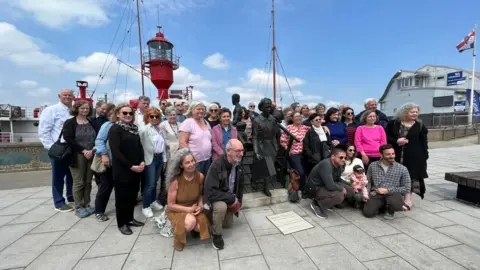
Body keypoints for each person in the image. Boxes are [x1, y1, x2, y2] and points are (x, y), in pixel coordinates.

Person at [108, 104, 145, 235]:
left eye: (130, 113)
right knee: (122, 197)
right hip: (123, 169)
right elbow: (116, 152)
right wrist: (131, 166)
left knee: (132, 196)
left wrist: (141, 161)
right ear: (118, 114)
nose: (128, 115)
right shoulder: (115, 129)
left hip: (136, 168)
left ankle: (130, 218)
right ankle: (122, 223)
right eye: (125, 113)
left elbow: (139, 147)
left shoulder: (133, 128)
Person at [38, 89, 75, 212]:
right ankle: (59, 202)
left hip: (73, 147)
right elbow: (44, 131)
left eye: (70, 95)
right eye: (65, 95)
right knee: (58, 176)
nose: (67, 97)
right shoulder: (51, 110)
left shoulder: (74, 110)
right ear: (59, 96)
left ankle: (71, 196)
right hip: (59, 147)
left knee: (72, 175)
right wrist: (52, 147)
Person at [166, 148, 210, 251]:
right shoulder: (175, 181)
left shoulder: (200, 176)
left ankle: (193, 229)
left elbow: (199, 195)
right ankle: (178, 238)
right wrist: (188, 210)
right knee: (190, 222)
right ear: (181, 165)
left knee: (202, 226)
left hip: (193, 206)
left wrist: (200, 206)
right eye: (187, 163)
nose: (191, 164)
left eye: (192, 161)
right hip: (177, 209)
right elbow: (170, 205)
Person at [386, 103, 428, 210]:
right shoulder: (393, 123)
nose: (415, 113)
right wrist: (397, 141)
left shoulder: (420, 125)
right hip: (396, 154)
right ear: (405, 112)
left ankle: (408, 198)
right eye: (412, 111)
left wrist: (425, 156)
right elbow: (386, 137)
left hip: (414, 155)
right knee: (396, 174)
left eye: (416, 112)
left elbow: (424, 142)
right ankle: (395, 196)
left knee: (411, 176)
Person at [204, 139, 245, 250]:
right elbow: (210, 192)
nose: (241, 154)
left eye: (242, 150)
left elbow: (241, 184)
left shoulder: (238, 164)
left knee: (228, 225)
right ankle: (216, 235)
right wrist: (232, 198)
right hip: (217, 198)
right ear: (228, 151)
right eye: (237, 151)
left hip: (228, 198)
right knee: (221, 207)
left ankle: (213, 221)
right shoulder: (217, 165)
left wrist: (239, 201)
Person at [63, 100, 97, 218]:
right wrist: (83, 151)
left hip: (91, 153)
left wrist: (92, 150)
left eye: (87, 108)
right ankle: (78, 206)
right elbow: (69, 139)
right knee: (79, 182)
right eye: (82, 108)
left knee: (88, 181)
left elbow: (98, 136)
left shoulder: (92, 121)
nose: (85, 110)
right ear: (77, 109)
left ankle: (86, 204)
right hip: (76, 155)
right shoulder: (70, 122)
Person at [363, 144, 411, 220]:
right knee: (368, 213)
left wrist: (388, 190)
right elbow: (368, 181)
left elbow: (406, 188)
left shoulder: (402, 169)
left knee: (396, 205)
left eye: (393, 153)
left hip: (393, 193)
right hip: (376, 193)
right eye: (388, 154)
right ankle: (384, 205)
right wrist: (367, 193)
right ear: (381, 155)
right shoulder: (372, 166)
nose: (392, 156)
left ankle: (391, 207)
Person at [307, 147, 354, 219]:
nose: (343, 160)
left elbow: (338, 180)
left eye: (345, 158)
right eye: (341, 157)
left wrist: (351, 185)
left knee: (351, 191)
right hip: (315, 188)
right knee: (339, 195)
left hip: (325, 186)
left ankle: (328, 202)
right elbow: (330, 185)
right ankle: (317, 204)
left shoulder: (339, 165)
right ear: (333, 157)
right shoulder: (326, 164)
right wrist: (342, 188)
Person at [139, 108, 167, 218]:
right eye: (152, 116)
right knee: (149, 184)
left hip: (159, 158)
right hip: (149, 159)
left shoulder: (160, 129)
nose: (154, 118)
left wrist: (164, 159)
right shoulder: (144, 130)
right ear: (147, 117)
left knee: (155, 182)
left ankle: (153, 201)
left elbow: (163, 145)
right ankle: (145, 206)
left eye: (156, 116)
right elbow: (139, 146)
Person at [93, 104, 116, 222]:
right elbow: (100, 140)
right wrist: (104, 154)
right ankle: (99, 211)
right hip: (109, 161)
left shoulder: (126, 126)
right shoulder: (107, 125)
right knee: (105, 187)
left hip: (121, 162)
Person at [179, 102, 212, 176]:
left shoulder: (206, 122)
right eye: (198, 109)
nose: (201, 111)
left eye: (203, 109)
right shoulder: (188, 123)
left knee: (204, 183)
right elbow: (182, 143)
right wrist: (192, 159)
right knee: (194, 183)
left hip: (207, 160)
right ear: (192, 110)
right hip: (194, 161)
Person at [280, 112, 310, 195]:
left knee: (307, 171)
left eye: (299, 116)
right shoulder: (289, 128)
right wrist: (287, 149)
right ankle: (302, 190)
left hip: (305, 153)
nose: (298, 118)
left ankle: (306, 188)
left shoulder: (305, 128)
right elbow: (282, 140)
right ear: (292, 118)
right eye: (296, 116)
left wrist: (324, 127)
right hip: (294, 153)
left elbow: (316, 128)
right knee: (301, 172)